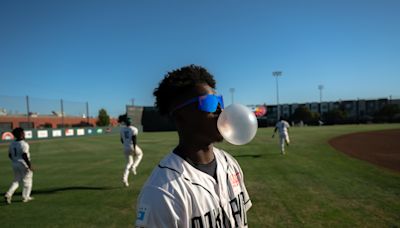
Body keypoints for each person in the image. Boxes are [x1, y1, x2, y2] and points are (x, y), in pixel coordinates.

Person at [135, 65, 252, 227]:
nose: (220, 109)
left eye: (219, 101)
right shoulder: (161, 193)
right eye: (210, 102)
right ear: (180, 116)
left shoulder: (230, 164)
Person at [4, 127, 34, 204]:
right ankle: (25, 197)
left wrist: (15, 160)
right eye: (23, 133)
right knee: (27, 180)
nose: (24, 134)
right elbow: (24, 155)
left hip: (15, 163)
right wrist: (29, 165)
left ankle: (8, 194)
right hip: (23, 164)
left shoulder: (12, 143)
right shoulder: (24, 144)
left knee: (16, 180)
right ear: (21, 134)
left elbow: (10, 155)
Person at [118, 114, 143, 187]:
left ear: (125, 123)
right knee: (140, 154)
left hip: (125, 147)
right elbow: (134, 139)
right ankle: (134, 166)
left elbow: (122, 140)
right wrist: (134, 149)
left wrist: (126, 144)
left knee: (129, 163)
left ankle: (125, 180)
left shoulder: (122, 129)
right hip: (132, 146)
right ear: (130, 122)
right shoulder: (134, 129)